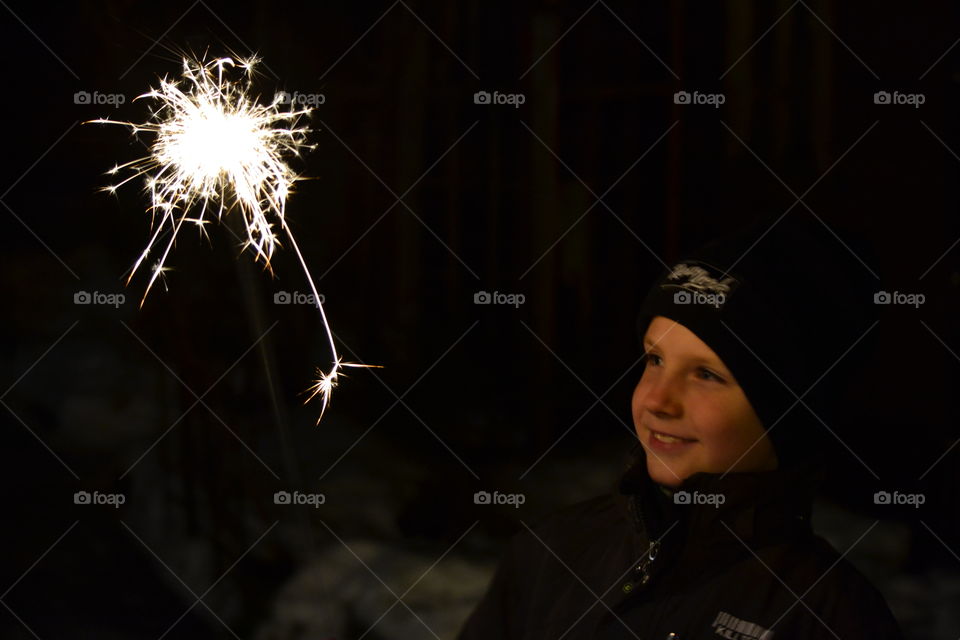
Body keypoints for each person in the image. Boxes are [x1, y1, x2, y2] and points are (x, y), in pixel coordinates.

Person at [456, 213, 905, 639]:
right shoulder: (551, 553)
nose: (656, 400)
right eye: (655, 359)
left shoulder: (828, 616)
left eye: (706, 374)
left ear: (790, 411)